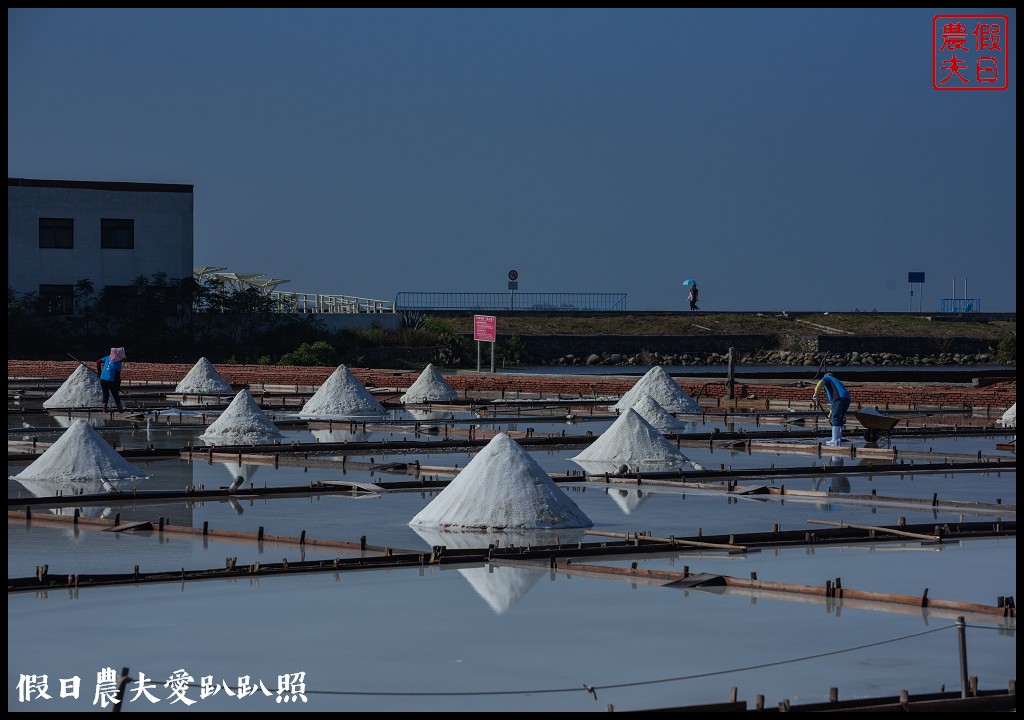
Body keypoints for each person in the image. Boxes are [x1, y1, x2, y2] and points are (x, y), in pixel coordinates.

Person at [812, 372, 851, 446]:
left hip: (839, 398)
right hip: (847, 399)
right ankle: (838, 439)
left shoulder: (827, 378)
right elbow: (834, 405)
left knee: (836, 418)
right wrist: (830, 415)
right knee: (839, 418)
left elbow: (820, 382)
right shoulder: (836, 383)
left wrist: (816, 393)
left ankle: (835, 440)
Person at [96, 347, 127, 412]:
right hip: (110, 380)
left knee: (105, 395)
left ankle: (104, 411)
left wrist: (99, 372)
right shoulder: (118, 362)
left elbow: (98, 362)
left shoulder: (108, 357)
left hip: (103, 379)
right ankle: (120, 410)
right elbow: (117, 376)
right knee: (115, 395)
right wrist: (118, 385)